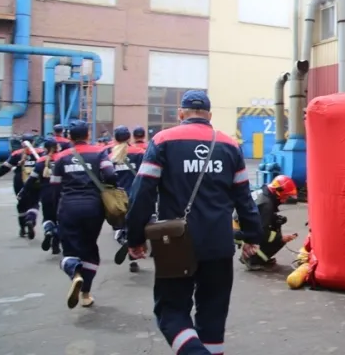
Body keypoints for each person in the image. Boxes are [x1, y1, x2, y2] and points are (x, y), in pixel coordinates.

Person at [125, 90, 263, 355]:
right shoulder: (230, 146)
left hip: (175, 245)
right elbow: (244, 197)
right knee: (213, 313)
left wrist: (135, 238)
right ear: (209, 116)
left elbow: (141, 194)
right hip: (219, 243)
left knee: (170, 311)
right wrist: (252, 236)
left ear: (180, 114)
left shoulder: (163, 140)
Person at [51, 120, 117, 309]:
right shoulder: (99, 152)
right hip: (93, 207)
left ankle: (75, 273)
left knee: (70, 250)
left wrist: (55, 212)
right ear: (88, 134)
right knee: (89, 248)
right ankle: (86, 293)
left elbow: (54, 188)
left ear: (69, 137)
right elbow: (111, 175)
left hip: (68, 208)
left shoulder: (61, 156)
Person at [234, 175, 299, 271]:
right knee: (278, 240)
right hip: (240, 230)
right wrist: (280, 238)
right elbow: (262, 232)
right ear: (278, 191)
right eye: (285, 196)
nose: (285, 200)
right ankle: (252, 259)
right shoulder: (267, 204)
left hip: (238, 224)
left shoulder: (265, 193)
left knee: (275, 225)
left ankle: (255, 256)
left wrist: (275, 219)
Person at [104, 126, 147, 272]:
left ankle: (122, 236)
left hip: (117, 198)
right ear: (129, 138)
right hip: (136, 195)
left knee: (121, 224)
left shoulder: (109, 155)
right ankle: (133, 249)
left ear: (115, 138)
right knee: (137, 224)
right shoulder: (140, 153)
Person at [0, 132, 43, 237]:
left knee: (21, 204)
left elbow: (4, 169)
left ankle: (22, 228)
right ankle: (31, 219)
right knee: (34, 203)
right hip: (35, 181)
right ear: (34, 142)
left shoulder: (16, 154)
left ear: (21, 142)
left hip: (19, 182)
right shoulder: (40, 153)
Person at [21, 137, 62, 252]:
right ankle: (56, 245)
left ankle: (48, 231)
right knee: (61, 220)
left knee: (48, 218)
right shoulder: (63, 158)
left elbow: (31, 180)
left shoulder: (41, 161)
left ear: (45, 148)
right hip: (61, 194)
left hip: (46, 194)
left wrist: (23, 192)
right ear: (57, 147)